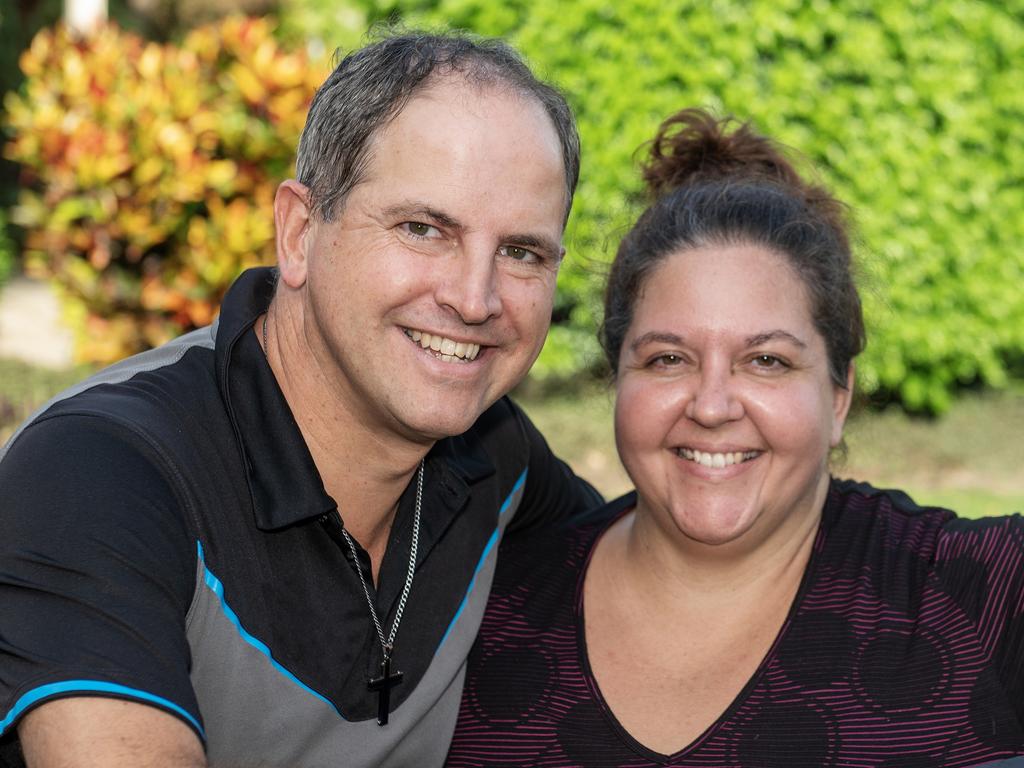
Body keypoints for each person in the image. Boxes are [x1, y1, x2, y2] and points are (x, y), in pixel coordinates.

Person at [0, 30, 602, 768]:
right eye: (422, 229)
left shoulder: (494, 459)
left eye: (522, 252)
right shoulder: (105, 470)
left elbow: (655, 563)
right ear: (298, 231)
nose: (475, 300)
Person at [446, 108, 1024, 766]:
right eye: (668, 359)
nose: (713, 406)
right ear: (618, 380)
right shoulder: (479, 607)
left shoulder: (978, 593)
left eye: (767, 361)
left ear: (838, 395)